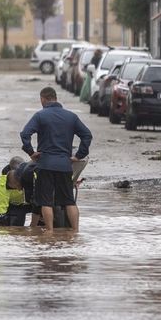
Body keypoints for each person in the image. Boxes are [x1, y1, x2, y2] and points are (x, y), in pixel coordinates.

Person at [20, 87, 92, 230]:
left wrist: (31, 152)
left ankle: (50, 232)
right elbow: (87, 135)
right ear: (55, 98)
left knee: (46, 201)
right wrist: (78, 155)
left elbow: (25, 134)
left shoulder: (40, 116)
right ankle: (75, 232)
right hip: (65, 165)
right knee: (69, 201)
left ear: (43, 99)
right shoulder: (71, 117)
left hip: (45, 165)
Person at [0, 157, 34, 226]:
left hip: (27, 203)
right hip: (13, 206)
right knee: (13, 224)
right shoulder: (2, 188)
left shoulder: (30, 175)